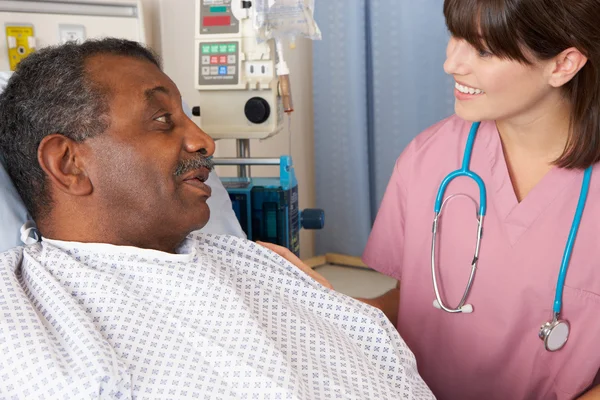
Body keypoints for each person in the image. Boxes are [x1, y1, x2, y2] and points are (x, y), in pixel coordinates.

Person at [0, 39, 434, 399]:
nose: (203, 140)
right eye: (162, 120)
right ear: (69, 163)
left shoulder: (257, 263)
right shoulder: (22, 314)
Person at [281, 0, 600, 399]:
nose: (452, 63)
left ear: (563, 64)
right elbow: (414, 301)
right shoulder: (427, 158)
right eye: (455, 36)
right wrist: (321, 306)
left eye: (483, 50)